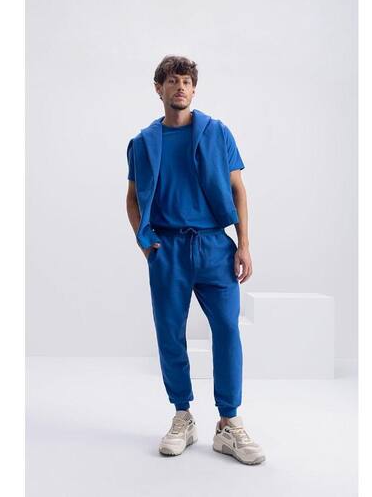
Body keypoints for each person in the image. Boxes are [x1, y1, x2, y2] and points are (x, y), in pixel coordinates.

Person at [125, 55, 265, 465]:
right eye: (172, 81)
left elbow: (238, 189)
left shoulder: (217, 133)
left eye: (186, 81)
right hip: (167, 249)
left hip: (214, 246)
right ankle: (182, 416)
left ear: (194, 89)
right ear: (159, 89)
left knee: (227, 330)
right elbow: (132, 198)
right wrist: (145, 242)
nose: (180, 87)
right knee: (171, 333)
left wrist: (243, 244)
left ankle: (228, 423)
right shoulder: (143, 143)